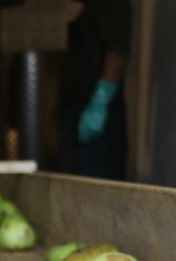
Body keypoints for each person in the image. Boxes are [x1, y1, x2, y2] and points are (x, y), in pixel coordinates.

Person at [57, 0, 133, 180]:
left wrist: (99, 102)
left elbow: (117, 51)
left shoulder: (110, 5)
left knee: (98, 192)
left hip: (98, 117)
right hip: (75, 111)